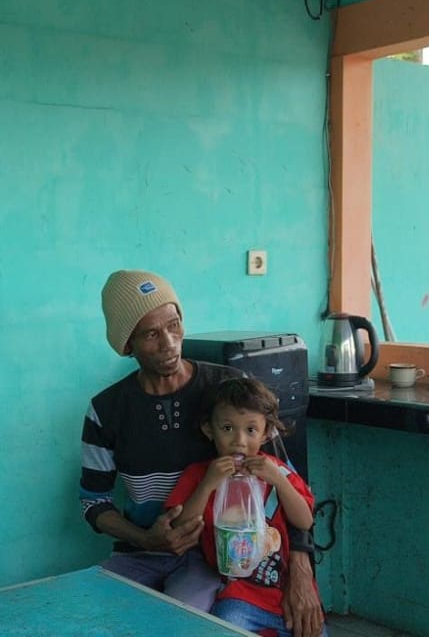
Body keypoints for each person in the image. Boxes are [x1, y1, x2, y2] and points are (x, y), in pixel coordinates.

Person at [80, 269, 325, 637]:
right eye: (151, 334)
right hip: (140, 552)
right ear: (126, 344)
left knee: (186, 623)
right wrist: (145, 539)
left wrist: (300, 570)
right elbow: (93, 503)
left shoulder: (229, 390)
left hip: (214, 555)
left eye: (174, 325)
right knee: (95, 615)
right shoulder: (106, 410)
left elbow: (282, 485)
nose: (170, 343)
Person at [164, 376, 325, 637]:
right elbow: (181, 526)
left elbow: (305, 521)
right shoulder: (199, 474)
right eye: (227, 428)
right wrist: (208, 484)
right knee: (224, 628)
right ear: (209, 429)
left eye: (251, 430)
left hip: (288, 595)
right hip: (239, 596)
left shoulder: (278, 471)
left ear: (266, 433)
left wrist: (278, 480)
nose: (239, 440)